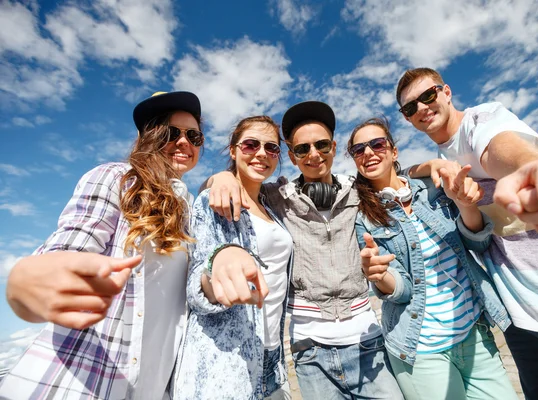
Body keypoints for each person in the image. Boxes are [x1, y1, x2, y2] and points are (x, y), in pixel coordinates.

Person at [396, 67, 538, 399]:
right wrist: (428, 167)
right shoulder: (442, 157)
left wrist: (532, 168)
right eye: (410, 107)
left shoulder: (481, 120)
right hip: (517, 314)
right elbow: (404, 170)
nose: (421, 108)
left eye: (428, 96)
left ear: (446, 92)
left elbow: (500, 149)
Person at [1, 91, 203, 399]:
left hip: (152, 386)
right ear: (149, 136)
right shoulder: (119, 178)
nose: (184, 142)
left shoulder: (190, 208)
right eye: (171, 132)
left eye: (194, 136)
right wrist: (27, 281)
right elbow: (69, 248)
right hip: (78, 381)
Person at [205, 101, 403, 399]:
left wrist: (434, 165)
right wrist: (220, 177)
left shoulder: (360, 192)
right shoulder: (274, 197)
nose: (314, 154)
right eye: (302, 149)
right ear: (292, 156)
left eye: (322, 145)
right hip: (309, 352)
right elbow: (233, 188)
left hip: (367, 342)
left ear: (334, 147)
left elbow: (397, 177)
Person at [350, 117, 517, 400]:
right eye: (358, 150)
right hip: (420, 348)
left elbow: (479, 241)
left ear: (393, 151)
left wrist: (466, 206)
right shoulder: (363, 217)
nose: (368, 152)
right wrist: (379, 276)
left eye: (376, 144)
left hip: (473, 332)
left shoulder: (432, 188)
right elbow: (401, 291)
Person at [174, 116, 292, 400]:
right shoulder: (213, 201)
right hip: (225, 361)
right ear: (233, 150)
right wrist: (216, 274)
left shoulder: (273, 209)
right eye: (251, 145)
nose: (261, 153)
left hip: (273, 356)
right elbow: (196, 286)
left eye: (271, 148)